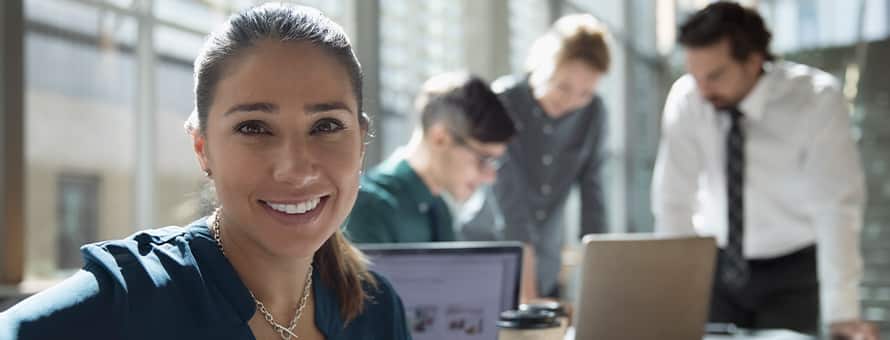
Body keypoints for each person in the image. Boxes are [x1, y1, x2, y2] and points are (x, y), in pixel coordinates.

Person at [0, 4, 411, 340]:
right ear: (203, 148)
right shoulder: (127, 305)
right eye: (254, 128)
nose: (295, 169)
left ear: (361, 143)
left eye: (326, 125)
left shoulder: (373, 309)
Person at [652, 2, 876, 338]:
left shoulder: (816, 100)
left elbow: (836, 207)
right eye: (695, 76)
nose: (702, 90)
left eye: (715, 76)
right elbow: (673, 202)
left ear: (754, 61)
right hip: (714, 265)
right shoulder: (687, 99)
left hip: (792, 269)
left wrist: (842, 313)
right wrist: (673, 295)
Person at [462, 14, 611, 299]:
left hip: (546, 263)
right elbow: (510, 202)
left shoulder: (594, 113)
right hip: (487, 251)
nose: (571, 101)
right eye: (563, 87)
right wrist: (528, 298)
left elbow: (593, 197)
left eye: (585, 93)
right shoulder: (504, 100)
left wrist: (601, 273)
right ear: (541, 64)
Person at [344, 72, 516, 244]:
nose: (490, 177)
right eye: (483, 159)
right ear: (440, 138)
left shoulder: (439, 209)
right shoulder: (368, 208)